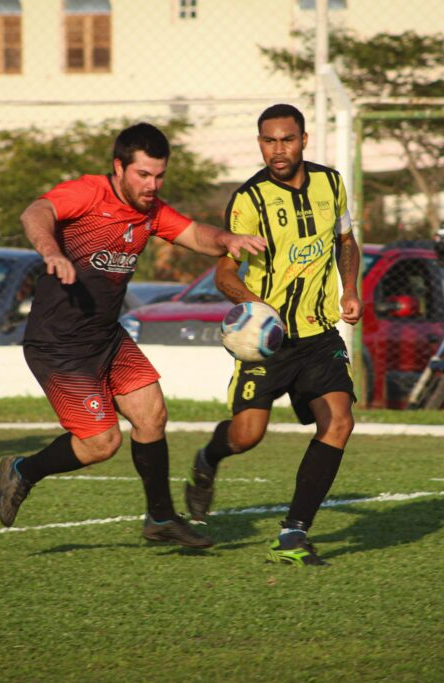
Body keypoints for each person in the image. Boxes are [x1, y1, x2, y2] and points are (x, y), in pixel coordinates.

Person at [0, 122, 266, 549]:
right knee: (102, 443)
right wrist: (51, 251)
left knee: (152, 414)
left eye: (159, 176)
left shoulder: (151, 210)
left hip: (105, 335)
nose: (152, 185)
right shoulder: (88, 193)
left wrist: (228, 239)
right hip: (58, 343)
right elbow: (36, 213)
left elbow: (196, 235)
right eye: (143, 175)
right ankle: (23, 471)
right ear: (118, 167)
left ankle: (160, 518)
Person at [184, 104, 362, 567]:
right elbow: (224, 270)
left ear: (304, 139)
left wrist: (352, 290)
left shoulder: (332, 184)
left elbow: (345, 240)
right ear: (259, 142)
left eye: (286, 139)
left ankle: (293, 532)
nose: (277, 150)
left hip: (319, 335)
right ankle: (207, 458)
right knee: (246, 437)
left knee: (339, 422)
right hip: (268, 340)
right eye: (268, 140)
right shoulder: (250, 199)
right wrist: (252, 304)